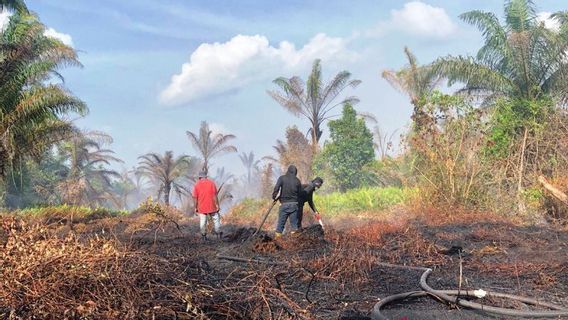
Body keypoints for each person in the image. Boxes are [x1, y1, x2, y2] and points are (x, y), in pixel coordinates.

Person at [272, 165, 302, 237]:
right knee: (294, 227)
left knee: (280, 225)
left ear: (288, 171)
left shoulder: (282, 178)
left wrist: (274, 197)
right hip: (294, 205)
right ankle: (294, 244)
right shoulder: (297, 181)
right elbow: (300, 194)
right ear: (295, 172)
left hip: (284, 205)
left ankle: (278, 240)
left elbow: (276, 188)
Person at [192, 170, 221, 241]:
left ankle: (204, 236)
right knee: (216, 219)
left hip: (201, 207)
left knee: (203, 221)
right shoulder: (212, 183)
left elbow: (195, 198)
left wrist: (195, 207)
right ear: (206, 176)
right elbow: (215, 196)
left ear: (199, 177)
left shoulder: (196, 185)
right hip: (212, 206)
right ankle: (218, 235)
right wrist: (217, 205)